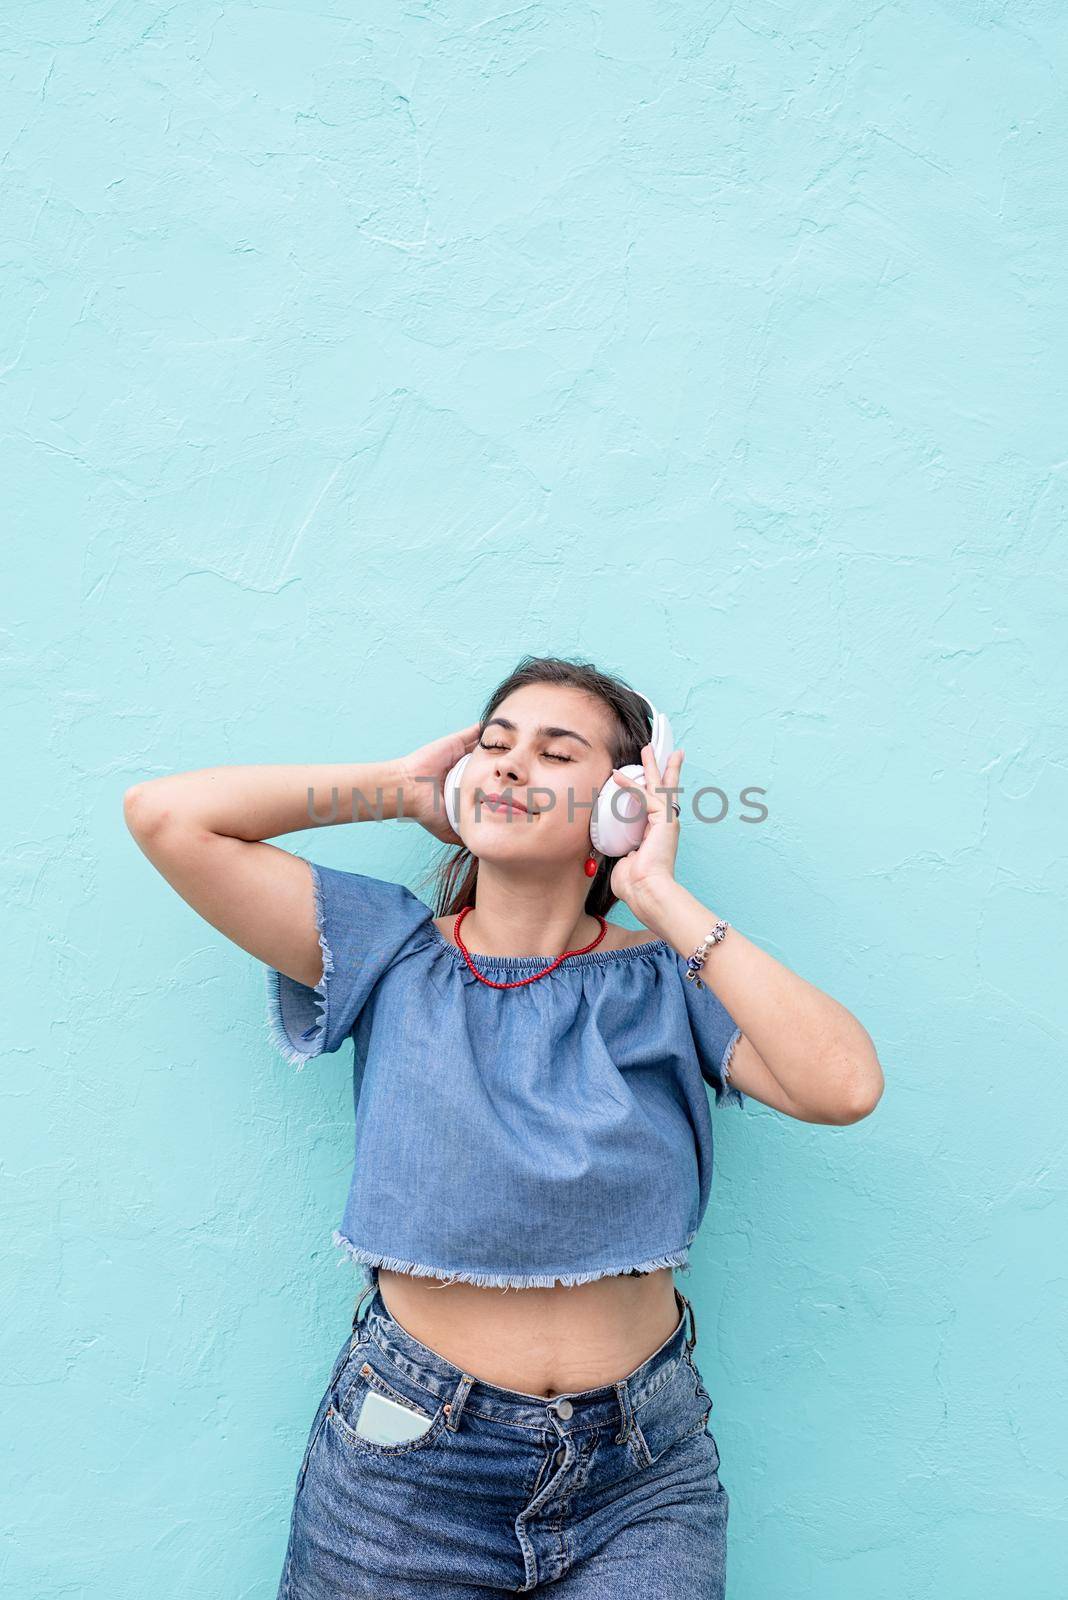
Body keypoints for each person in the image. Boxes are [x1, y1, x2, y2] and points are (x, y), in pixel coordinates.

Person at [123, 654, 883, 1598]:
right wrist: (399, 790)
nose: (512, 766)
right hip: (407, 1468)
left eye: (556, 753)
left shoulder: (665, 979)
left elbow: (844, 1085)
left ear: (621, 806)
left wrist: (661, 893)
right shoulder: (389, 950)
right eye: (493, 745)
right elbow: (167, 816)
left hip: (643, 1473)